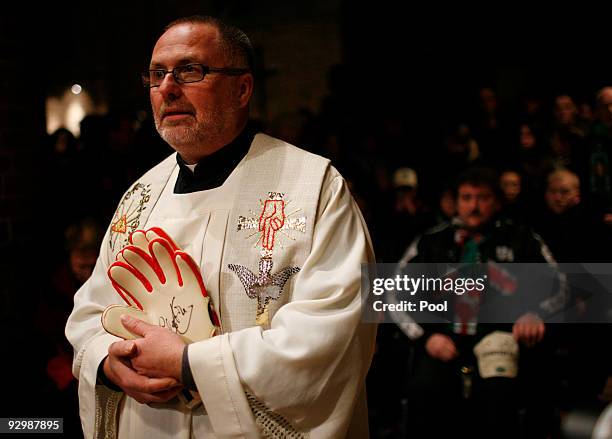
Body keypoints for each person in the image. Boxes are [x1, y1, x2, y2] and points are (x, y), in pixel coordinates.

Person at [66, 15, 376, 439]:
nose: (168, 89)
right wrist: (108, 360)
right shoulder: (141, 195)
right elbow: (90, 310)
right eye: (157, 75)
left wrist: (190, 365)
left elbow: (336, 325)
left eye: (190, 71)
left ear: (242, 88)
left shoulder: (312, 185)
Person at [397, 167, 565, 438]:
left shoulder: (522, 239)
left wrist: (536, 314)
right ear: (455, 202)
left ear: (497, 201)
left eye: (482, 198)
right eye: (466, 198)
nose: (474, 206)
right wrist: (424, 337)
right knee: (425, 392)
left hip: (501, 341)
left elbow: (562, 288)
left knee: (500, 399)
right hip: (441, 341)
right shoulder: (432, 242)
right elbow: (393, 294)